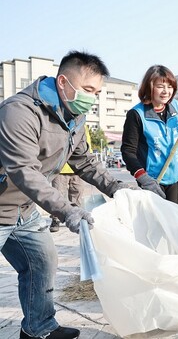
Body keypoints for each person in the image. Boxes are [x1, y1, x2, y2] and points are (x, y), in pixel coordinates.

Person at [0, 50, 134, 339]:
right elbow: (24, 170)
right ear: (63, 82)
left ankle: (39, 328)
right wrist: (67, 210)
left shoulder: (75, 116)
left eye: (97, 92)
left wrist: (115, 188)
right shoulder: (19, 111)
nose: (92, 97)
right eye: (88, 90)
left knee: (42, 262)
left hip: (24, 209)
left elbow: (84, 160)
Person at [121, 65, 178, 204]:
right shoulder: (137, 114)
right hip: (151, 179)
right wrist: (142, 177)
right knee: (155, 223)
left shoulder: (175, 106)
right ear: (149, 87)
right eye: (160, 86)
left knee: (173, 222)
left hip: (174, 176)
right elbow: (128, 151)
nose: (166, 91)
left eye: (170, 87)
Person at [50, 126, 92, 232]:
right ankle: (56, 219)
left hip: (78, 169)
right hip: (60, 168)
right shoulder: (58, 123)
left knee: (77, 194)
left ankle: (77, 218)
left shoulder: (83, 125)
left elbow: (87, 145)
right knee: (57, 194)